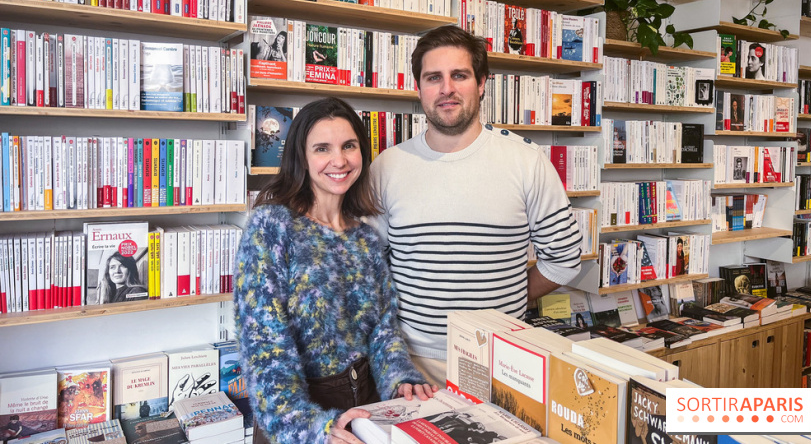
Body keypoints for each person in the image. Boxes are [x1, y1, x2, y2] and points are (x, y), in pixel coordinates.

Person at [369, 25, 583, 387]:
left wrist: (508, 299)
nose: (446, 88)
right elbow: (369, 267)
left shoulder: (527, 163)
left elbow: (563, 261)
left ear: (482, 83)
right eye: (433, 77)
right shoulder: (386, 168)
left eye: (460, 75)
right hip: (410, 367)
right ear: (418, 87)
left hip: (502, 358)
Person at [234, 97, 437, 444]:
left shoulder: (366, 238)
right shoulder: (272, 226)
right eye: (322, 148)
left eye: (349, 146)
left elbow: (383, 331)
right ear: (301, 156)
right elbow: (263, 347)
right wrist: (310, 429)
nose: (339, 160)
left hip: (367, 408)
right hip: (300, 419)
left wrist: (401, 378)